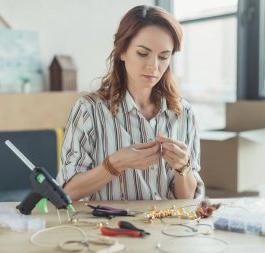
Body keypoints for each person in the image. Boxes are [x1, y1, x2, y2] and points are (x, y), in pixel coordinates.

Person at [57, 5, 204, 201]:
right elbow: (67, 192)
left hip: (167, 229)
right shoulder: (89, 109)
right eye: (143, 53)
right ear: (122, 51)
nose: (153, 66)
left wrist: (183, 167)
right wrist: (115, 164)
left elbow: (188, 199)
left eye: (163, 57)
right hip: (107, 229)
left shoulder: (184, 113)